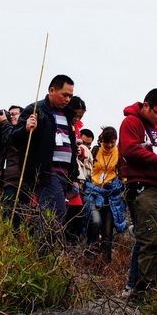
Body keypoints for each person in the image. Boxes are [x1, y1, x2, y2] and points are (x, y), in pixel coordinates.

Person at [119, 88, 157, 300]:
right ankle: (140, 294)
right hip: (142, 189)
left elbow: (152, 151)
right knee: (151, 242)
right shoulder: (131, 123)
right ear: (146, 106)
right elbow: (130, 150)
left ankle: (153, 291)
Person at [10, 75, 78, 226]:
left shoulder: (68, 115)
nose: (67, 99)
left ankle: (39, 248)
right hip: (46, 173)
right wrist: (26, 129)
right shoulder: (35, 110)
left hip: (65, 175)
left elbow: (72, 147)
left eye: (70, 96)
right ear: (52, 90)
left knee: (53, 214)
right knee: (56, 212)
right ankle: (41, 249)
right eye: (65, 95)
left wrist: (75, 176)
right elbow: (13, 139)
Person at [84, 126, 126, 262]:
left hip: (110, 195)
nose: (109, 145)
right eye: (106, 142)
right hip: (93, 192)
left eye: (112, 142)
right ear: (102, 140)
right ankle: (91, 254)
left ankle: (105, 263)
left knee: (108, 232)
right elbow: (86, 169)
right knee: (95, 221)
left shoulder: (119, 154)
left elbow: (123, 173)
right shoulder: (94, 151)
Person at [64, 97, 90, 244]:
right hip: (61, 175)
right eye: (76, 115)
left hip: (73, 176)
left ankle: (70, 250)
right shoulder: (60, 123)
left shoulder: (76, 128)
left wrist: (79, 152)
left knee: (76, 214)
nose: (77, 118)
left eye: (80, 117)